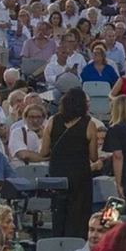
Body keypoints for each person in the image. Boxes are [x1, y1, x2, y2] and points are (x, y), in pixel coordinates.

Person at [43, 86, 100, 240]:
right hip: (79, 175)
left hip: (57, 174)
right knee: (79, 216)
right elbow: (94, 157)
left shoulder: (52, 121)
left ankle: (57, 244)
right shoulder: (89, 124)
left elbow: (44, 151)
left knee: (58, 213)